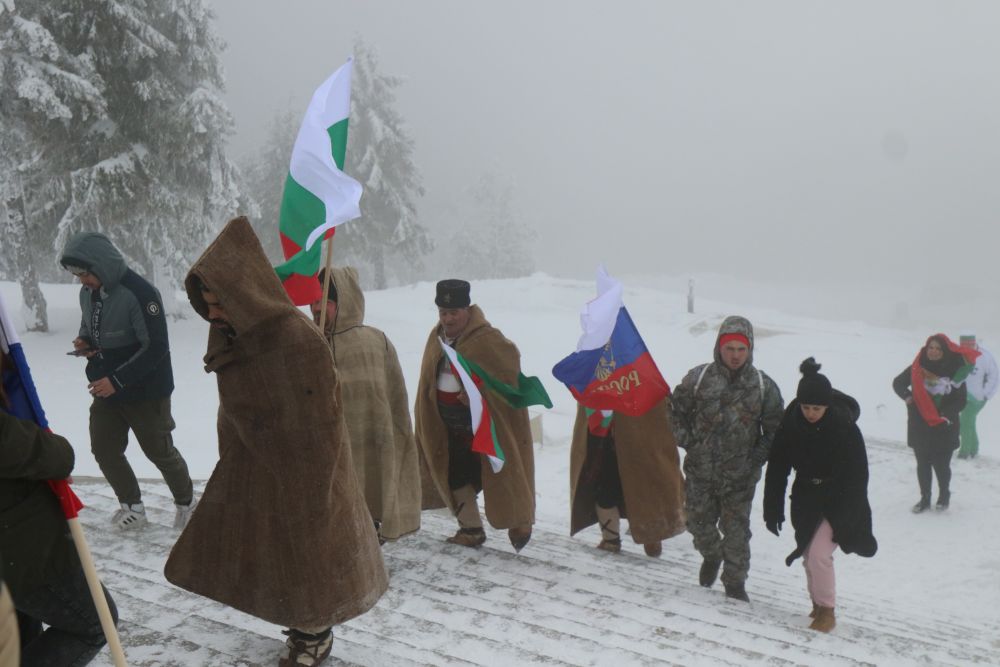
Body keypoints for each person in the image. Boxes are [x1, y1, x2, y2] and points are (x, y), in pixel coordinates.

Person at [164, 218, 387, 667]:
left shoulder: (296, 339)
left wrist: (310, 481)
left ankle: (314, 636)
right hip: (253, 459)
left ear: (244, 291)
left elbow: (320, 422)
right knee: (276, 549)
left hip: (307, 469)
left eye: (220, 302)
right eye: (207, 305)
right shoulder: (231, 330)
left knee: (310, 553)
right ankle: (298, 617)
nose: (215, 313)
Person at [59, 232, 195, 530]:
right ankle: (132, 506)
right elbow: (89, 326)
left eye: (85, 273)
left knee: (159, 451)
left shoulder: (141, 294)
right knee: (104, 448)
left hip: (146, 391)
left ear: (102, 265)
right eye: (78, 275)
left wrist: (117, 381)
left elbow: (157, 346)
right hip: (106, 390)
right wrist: (85, 341)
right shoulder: (89, 293)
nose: (82, 281)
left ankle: (187, 505)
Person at [2, 352, 118, 666]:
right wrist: (54, 452)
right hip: (22, 546)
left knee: (19, 633)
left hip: (17, 543)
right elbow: (27, 448)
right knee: (94, 623)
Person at [414, 279, 535, 551]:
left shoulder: (488, 340)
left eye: (453, 312)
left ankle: (519, 522)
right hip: (449, 426)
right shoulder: (436, 338)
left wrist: (480, 396)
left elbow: (508, 377)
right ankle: (471, 530)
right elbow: (427, 379)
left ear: (467, 310)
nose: (448, 318)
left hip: (483, 427)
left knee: (500, 474)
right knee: (455, 476)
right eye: (443, 313)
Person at [670, 315, 784, 602]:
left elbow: (775, 431)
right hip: (700, 472)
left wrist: (755, 459)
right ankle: (711, 554)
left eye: (741, 349)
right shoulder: (698, 379)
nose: (735, 355)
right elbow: (672, 413)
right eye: (729, 348)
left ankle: (735, 584)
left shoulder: (762, 386)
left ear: (750, 350)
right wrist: (690, 441)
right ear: (719, 347)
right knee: (697, 522)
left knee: (736, 532)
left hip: (740, 477)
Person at [763, 358, 877, 633]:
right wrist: (772, 507)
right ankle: (816, 604)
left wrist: (850, 511)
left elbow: (859, 475)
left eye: (817, 408)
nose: (811, 413)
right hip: (805, 497)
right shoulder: (791, 423)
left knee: (818, 554)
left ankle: (827, 610)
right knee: (808, 553)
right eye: (806, 407)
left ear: (827, 406)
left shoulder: (845, 427)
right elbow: (778, 466)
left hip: (840, 498)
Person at [310, 267, 421, 543]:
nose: (316, 308)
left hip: (371, 439)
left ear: (344, 302)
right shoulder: (311, 343)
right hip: (327, 443)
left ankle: (370, 529)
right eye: (313, 301)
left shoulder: (375, 341)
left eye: (325, 303)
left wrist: (393, 432)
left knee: (367, 496)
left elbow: (395, 396)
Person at [569, 400, 685, 557]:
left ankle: (651, 533)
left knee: (642, 482)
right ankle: (612, 539)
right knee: (604, 483)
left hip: (635, 435)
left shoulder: (642, 381)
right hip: (602, 436)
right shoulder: (591, 378)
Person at [893, 334, 975, 512]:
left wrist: (944, 414)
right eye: (931, 347)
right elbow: (898, 383)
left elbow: (961, 400)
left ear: (944, 351)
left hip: (943, 425)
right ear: (926, 348)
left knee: (941, 465)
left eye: (938, 348)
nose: (934, 351)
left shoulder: (955, 371)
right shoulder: (917, 367)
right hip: (920, 424)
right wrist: (908, 397)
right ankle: (925, 498)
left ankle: (944, 495)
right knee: (922, 463)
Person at [957, 333, 998, 459]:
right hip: (962, 394)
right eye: (964, 343)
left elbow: (994, 376)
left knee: (965, 420)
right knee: (969, 421)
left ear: (974, 342)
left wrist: (985, 394)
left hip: (978, 397)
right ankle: (974, 449)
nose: (968, 346)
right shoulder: (958, 354)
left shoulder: (985, 356)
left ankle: (964, 452)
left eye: (970, 343)